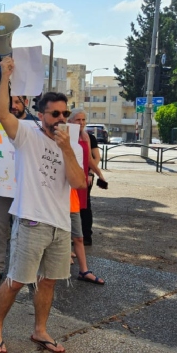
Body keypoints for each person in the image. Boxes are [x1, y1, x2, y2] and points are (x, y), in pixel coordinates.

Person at [0, 57, 86, 353]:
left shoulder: (70, 142)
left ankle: (40, 330)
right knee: (16, 280)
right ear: (41, 115)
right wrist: (6, 77)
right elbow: (2, 113)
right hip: (31, 220)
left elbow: (78, 182)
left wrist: (66, 146)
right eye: (55, 114)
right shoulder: (27, 134)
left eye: (65, 113)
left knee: (48, 282)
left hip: (60, 224)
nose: (61, 118)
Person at [0, 95, 36, 284]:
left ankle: (20, 271)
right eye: (9, 102)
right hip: (0, 187)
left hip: (26, 188)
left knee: (25, 231)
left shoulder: (36, 127)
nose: (13, 106)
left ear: (26, 104)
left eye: (17, 102)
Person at [68, 109, 106, 285]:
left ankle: (84, 270)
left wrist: (99, 174)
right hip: (66, 187)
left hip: (79, 186)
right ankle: (66, 255)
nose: (81, 122)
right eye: (77, 119)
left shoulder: (86, 137)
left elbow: (90, 159)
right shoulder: (64, 135)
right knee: (63, 224)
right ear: (70, 121)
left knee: (79, 230)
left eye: (83, 119)